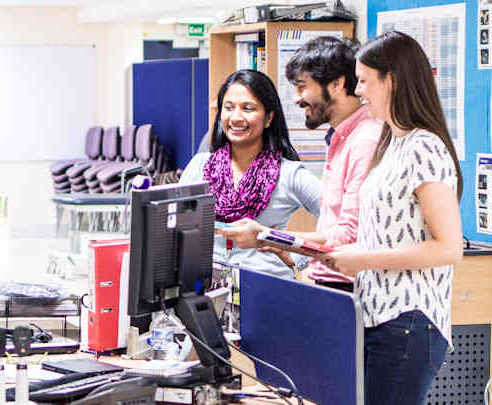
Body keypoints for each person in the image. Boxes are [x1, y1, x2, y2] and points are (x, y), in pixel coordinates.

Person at [321, 31, 463, 404]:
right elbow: (386, 233)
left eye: (365, 81)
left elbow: (448, 248)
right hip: (376, 316)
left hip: (408, 322)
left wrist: (362, 260)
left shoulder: (424, 147)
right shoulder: (392, 143)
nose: (359, 90)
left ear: (393, 81)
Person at [218, 37, 382, 292]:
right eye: (228, 107)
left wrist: (268, 237)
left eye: (302, 87)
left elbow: (349, 236)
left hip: (350, 288)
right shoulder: (341, 139)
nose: (296, 99)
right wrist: (283, 245)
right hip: (328, 282)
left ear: (337, 83)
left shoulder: (364, 140)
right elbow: (333, 225)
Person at [179, 69, 321, 279]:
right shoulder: (200, 166)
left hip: (266, 292)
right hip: (206, 293)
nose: (236, 117)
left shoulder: (289, 173)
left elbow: (342, 228)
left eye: (247, 108)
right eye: (228, 108)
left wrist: (284, 246)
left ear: (269, 117)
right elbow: (171, 228)